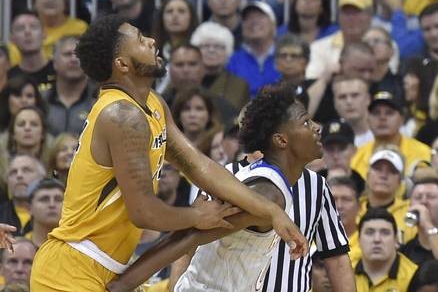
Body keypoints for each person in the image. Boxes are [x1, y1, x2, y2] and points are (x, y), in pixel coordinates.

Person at [28, 14, 306, 292]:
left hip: (104, 267)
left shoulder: (151, 103)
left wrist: (270, 210)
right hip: (70, 268)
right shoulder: (122, 115)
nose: (151, 41)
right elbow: (144, 211)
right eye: (139, 40)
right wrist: (196, 217)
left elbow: (199, 166)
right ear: (122, 64)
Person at [107, 84, 325, 291]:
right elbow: (188, 236)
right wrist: (122, 285)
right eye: (305, 122)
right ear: (281, 140)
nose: (317, 127)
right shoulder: (267, 192)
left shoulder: (265, 179)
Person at [354, 208, 419, 292]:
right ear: (359, 240)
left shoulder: (414, 276)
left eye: (385, 233)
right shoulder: (344, 273)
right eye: (370, 232)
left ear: (396, 240)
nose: (377, 239)